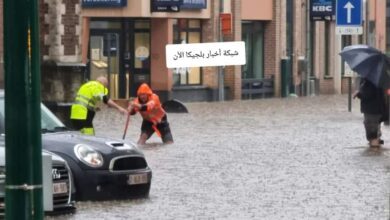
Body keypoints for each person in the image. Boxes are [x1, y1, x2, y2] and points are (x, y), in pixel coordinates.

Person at [354, 78, 387, 148]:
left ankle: (375, 148)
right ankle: (376, 142)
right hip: (375, 109)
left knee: (372, 131)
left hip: (372, 110)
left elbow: (368, 94)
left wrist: (358, 94)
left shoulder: (371, 80)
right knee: (374, 129)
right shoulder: (376, 78)